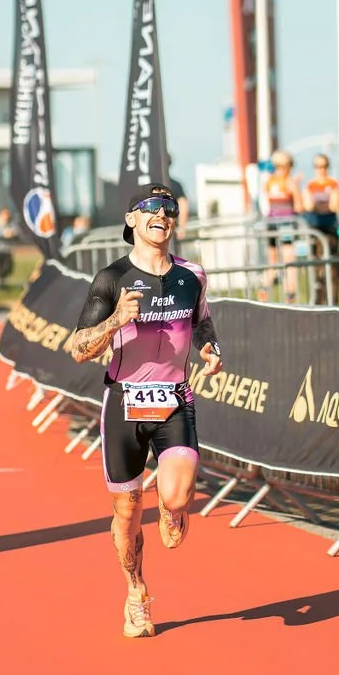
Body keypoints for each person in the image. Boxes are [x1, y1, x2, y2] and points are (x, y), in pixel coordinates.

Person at [68, 182, 223, 639]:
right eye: (151, 207)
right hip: (124, 403)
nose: (163, 214)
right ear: (132, 219)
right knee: (127, 509)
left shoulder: (191, 274)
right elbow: (76, 347)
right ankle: (136, 593)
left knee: (173, 498)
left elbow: (201, 321)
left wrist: (210, 347)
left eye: (170, 207)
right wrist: (116, 319)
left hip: (174, 397)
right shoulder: (110, 278)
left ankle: (175, 510)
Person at [261, 150, 303, 303]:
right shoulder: (290, 182)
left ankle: (264, 289)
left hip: (271, 223)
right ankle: (290, 294)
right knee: (289, 260)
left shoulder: (269, 182)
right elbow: (299, 206)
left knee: (272, 260)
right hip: (287, 223)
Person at [303, 153, 339, 304]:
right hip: (315, 230)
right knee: (316, 268)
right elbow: (308, 205)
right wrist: (322, 205)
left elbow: (334, 206)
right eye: (318, 166)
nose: (322, 170)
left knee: (332, 266)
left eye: (324, 166)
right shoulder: (310, 185)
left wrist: (320, 205)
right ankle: (318, 300)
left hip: (330, 230)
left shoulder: (333, 184)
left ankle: (334, 300)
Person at [0, 206, 18, 287]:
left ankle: (2, 282)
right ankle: (1, 284)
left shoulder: (11, 223)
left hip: (8, 249)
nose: (7, 216)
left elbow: (16, 230)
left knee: (9, 266)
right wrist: (4, 234)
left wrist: (12, 233)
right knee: (1, 266)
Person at [166, 156, 191, 238]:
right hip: (171, 231)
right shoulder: (175, 185)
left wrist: (181, 228)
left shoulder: (149, 185)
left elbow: (183, 206)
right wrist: (182, 228)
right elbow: (183, 206)